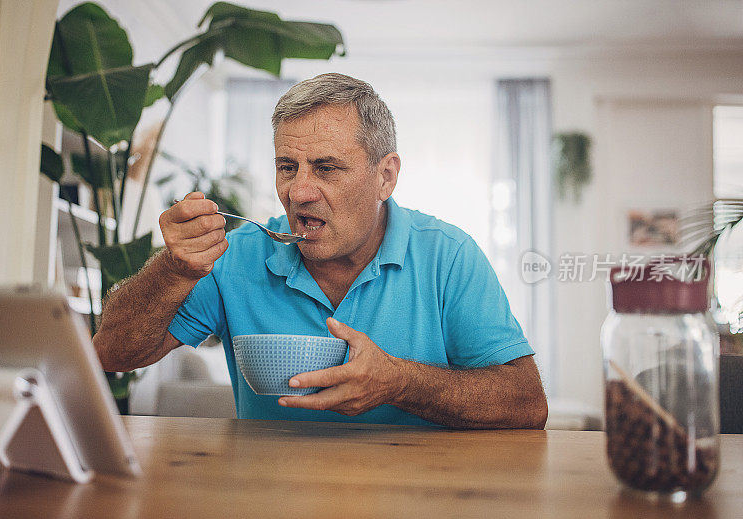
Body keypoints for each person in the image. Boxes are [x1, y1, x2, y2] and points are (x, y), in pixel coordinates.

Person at [94, 73, 548, 429]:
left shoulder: (448, 256)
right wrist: (172, 269)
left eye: (327, 168)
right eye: (286, 167)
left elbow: (526, 403)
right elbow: (111, 353)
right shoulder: (235, 256)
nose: (299, 191)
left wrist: (399, 382)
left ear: (385, 178)